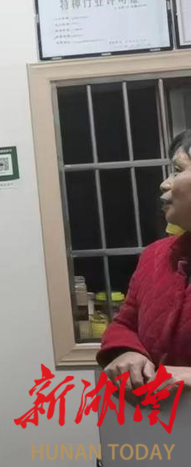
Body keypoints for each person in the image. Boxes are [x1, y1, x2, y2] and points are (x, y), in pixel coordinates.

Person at [98, 130, 191, 393]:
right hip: (160, 418)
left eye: (177, 171)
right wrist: (127, 352)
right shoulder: (155, 256)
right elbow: (124, 324)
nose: (164, 184)